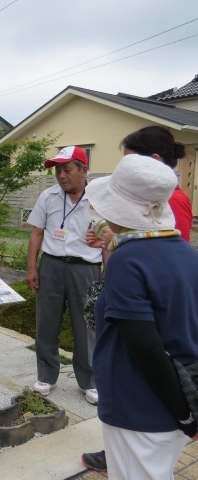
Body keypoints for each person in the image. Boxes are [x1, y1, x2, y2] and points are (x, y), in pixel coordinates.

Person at [82, 127, 193, 471]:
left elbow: (144, 346)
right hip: (177, 397)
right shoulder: (187, 253)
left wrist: (185, 413)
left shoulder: (130, 262)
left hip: (139, 404)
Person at [26, 146, 102, 405]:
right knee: (46, 323)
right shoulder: (48, 197)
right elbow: (36, 233)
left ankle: (90, 381)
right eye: (57, 170)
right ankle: (46, 375)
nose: (60, 175)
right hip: (52, 266)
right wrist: (32, 268)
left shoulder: (99, 200)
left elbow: (110, 238)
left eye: (66, 169)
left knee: (87, 327)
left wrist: (108, 271)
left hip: (87, 269)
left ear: (83, 170)